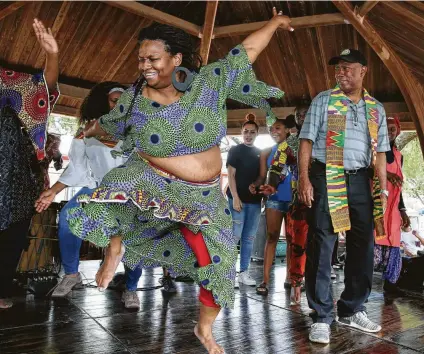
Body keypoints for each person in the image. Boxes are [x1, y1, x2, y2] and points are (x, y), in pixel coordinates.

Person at [60, 9, 292, 354]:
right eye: (140, 59)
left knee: (221, 262)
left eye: (152, 58)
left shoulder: (208, 83)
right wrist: (96, 128)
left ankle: (204, 328)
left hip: (202, 199)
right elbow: (112, 124)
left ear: (177, 57)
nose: (144, 65)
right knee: (115, 188)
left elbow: (246, 51)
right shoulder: (134, 98)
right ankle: (115, 246)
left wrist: (273, 24)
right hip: (152, 184)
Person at [35, 82, 164, 309]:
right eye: (114, 100)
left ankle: (131, 288)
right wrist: (53, 191)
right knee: (68, 217)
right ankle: (72, 274)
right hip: (95, 188)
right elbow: (77, 169)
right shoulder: (86, 132)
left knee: (136, 233)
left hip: (129, 192)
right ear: (102, 102)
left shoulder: (138, 131)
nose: (119, 105)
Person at [298, 48, 390, 344]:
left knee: (363, 245)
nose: (341, 72)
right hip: (327, 177)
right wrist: (303, 179)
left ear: (363, 71)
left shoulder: (376, 108)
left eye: (348, 68)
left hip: (362, 180)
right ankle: (321, 316)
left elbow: (381, 154)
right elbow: (306, 141)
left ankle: (351, 309)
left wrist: (384, 189)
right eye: (338, 68)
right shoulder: (324, 100)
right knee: (322, 244)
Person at [0, 19, 59, 309]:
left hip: (16, 180)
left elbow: (42, 89)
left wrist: (52, 55)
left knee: (11, 240)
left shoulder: (6, 81)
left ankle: (0, 290)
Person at [251, 118, 296, 296]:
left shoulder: (296, 148)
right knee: (272, 237)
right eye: (271, 129)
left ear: (287, 130)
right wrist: (255, 185)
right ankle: (265, 280)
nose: (274, 131)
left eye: (278, 128)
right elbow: (263, 176)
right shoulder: (266, 152)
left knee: (293, 239)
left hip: (293, 198)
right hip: (274, 198)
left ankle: (289, 277)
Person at [374, 116, 410, 294]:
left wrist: (403, 211)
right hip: (377, 205)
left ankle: (391, 285)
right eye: (386, 128)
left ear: (398, 130)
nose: (389, 131)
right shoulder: (373, 150)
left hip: (393, 208)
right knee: (375, 238)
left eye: (392, 128)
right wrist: (387, 175)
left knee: (395, 242)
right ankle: (362, 286)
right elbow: (368, 171)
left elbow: (399, 185)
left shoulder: (399, 155)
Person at [227, 113, 262, 287]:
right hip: (237, 200)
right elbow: (231, 175)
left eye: (252, 132)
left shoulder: (259, 153)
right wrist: (235, 198)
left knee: (248, 238)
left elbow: (262, 177)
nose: (248, 135)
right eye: (246, 132)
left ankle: (244, 272)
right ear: (242, 132)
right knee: (234, 237)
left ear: (257, 133)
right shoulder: (235, 150)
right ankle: (229, 274)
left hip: (254, 202)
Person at [284, 105, 310, 305]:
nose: (302, 116)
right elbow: (279, 166)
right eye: (299, 114)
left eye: (305, 113)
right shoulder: (290, 141)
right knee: (297, 244)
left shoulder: (320, 139)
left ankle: (317, 288)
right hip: (296, 200)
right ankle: (296, 285)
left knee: (320, 245)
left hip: (319, 198)